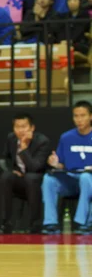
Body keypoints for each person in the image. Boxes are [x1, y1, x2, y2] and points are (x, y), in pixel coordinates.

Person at [42, 101, 92, 235]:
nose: (79, 119)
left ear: (90, 116)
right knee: (49, 179)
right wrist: (55, 163)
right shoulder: (66, 137)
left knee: (86, 178)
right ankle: (51, 223)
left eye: (83, 115)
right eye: (76, 116)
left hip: (88, 179)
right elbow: (61, 164)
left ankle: (82, 222)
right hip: (70, 178)